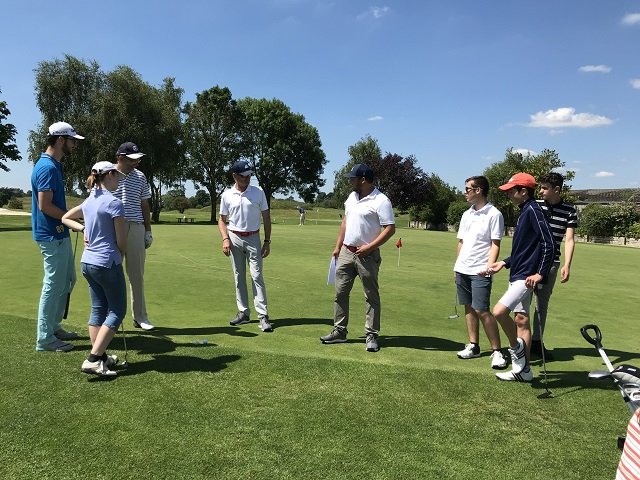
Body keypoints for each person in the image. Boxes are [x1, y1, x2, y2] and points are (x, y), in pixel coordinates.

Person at [480, 172, 555, 382]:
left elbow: (548, 244)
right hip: (517, 272)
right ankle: (524, 371)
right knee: (521, 320)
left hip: (526, 277)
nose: (509, 195)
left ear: (523, 191)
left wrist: (540, 273)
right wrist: (504, 262)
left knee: (499, 311)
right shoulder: (525, 211)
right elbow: (524, 249)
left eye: (512, 191)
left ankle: (517, 349)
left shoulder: (533, 210)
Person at [320, 163, 396, 352]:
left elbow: (390, 228)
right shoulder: (352, 197)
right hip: (346, 251)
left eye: (352, 178)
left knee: (371, 295)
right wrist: (338, 246)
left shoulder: (381, 200)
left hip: (368, 254)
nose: (350, 181)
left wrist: (369, 247)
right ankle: (339, 331)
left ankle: (371, 335)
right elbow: (346, 222)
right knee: (340, 292)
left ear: (363, 179)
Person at [62, 162, 127, 377]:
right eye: (116, 176)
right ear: (108, 175)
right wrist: (123, 255)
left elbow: (65, 217)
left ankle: (101, 357)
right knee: (117, 311)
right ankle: (92, 359)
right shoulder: (114, 203)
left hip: (88, 263)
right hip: (107, 262)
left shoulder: (89, 201)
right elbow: (121, 240)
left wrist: (83, 229)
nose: (118, 179)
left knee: (98, 309)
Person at [31, 122, 85, 352]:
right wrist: (70, 219)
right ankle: (44, 338)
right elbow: (45, 206)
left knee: (67, 280)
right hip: (50, 234)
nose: (74, 144)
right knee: (53, 285)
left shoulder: (54, 165)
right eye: (72, 140)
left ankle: (53, 326)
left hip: (58, 232)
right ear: (61, 140)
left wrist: (69, 220)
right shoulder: (47, 167)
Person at [454, 176, 507, 369]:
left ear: (479, 191)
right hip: (462, 268)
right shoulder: (467, 214)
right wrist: (457, 265)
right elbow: (461, 242)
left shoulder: (494, 214)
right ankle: (474, 345)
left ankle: (497, 351)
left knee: (482, 310)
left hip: (480, 270)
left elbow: (495, 244)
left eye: (468, 189)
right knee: (468, 307)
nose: (465, 192)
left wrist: (489, 267)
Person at [218, 160, 273, 332]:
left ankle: (263, 315)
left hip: (254, 237)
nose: (248, 178)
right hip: (234, 238)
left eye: (249, 175)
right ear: (235, 176)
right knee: (238, 276)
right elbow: (221, 220)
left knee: (256, 276)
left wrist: (267, 241)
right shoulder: (227, 195)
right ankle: (243, 312)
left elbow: (266, 218)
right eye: (244, 176)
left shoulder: (258, 193)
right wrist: (225, 238)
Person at [531, 172, 578, 360]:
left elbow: (569, 239)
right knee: (521, 300)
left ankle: (536, 342)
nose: (540, 191)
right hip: (531, 261)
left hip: (551, 263)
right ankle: (520, 341)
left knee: (541, 304)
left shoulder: (569, 210)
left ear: (556, 189)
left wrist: (567, 264)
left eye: (544, 188)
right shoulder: (535, 206)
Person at [113, 142, 154, 331]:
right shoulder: (107, 173)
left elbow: (144, 205)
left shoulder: (140, 176)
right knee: (111, 275)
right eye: (132, 159)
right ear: (120, 157)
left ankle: (140, 317)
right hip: (112, 228)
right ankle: (111, 318)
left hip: (136, 227)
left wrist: (148, 231)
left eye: (138, 159)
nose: (136, 163)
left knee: (136, 275)